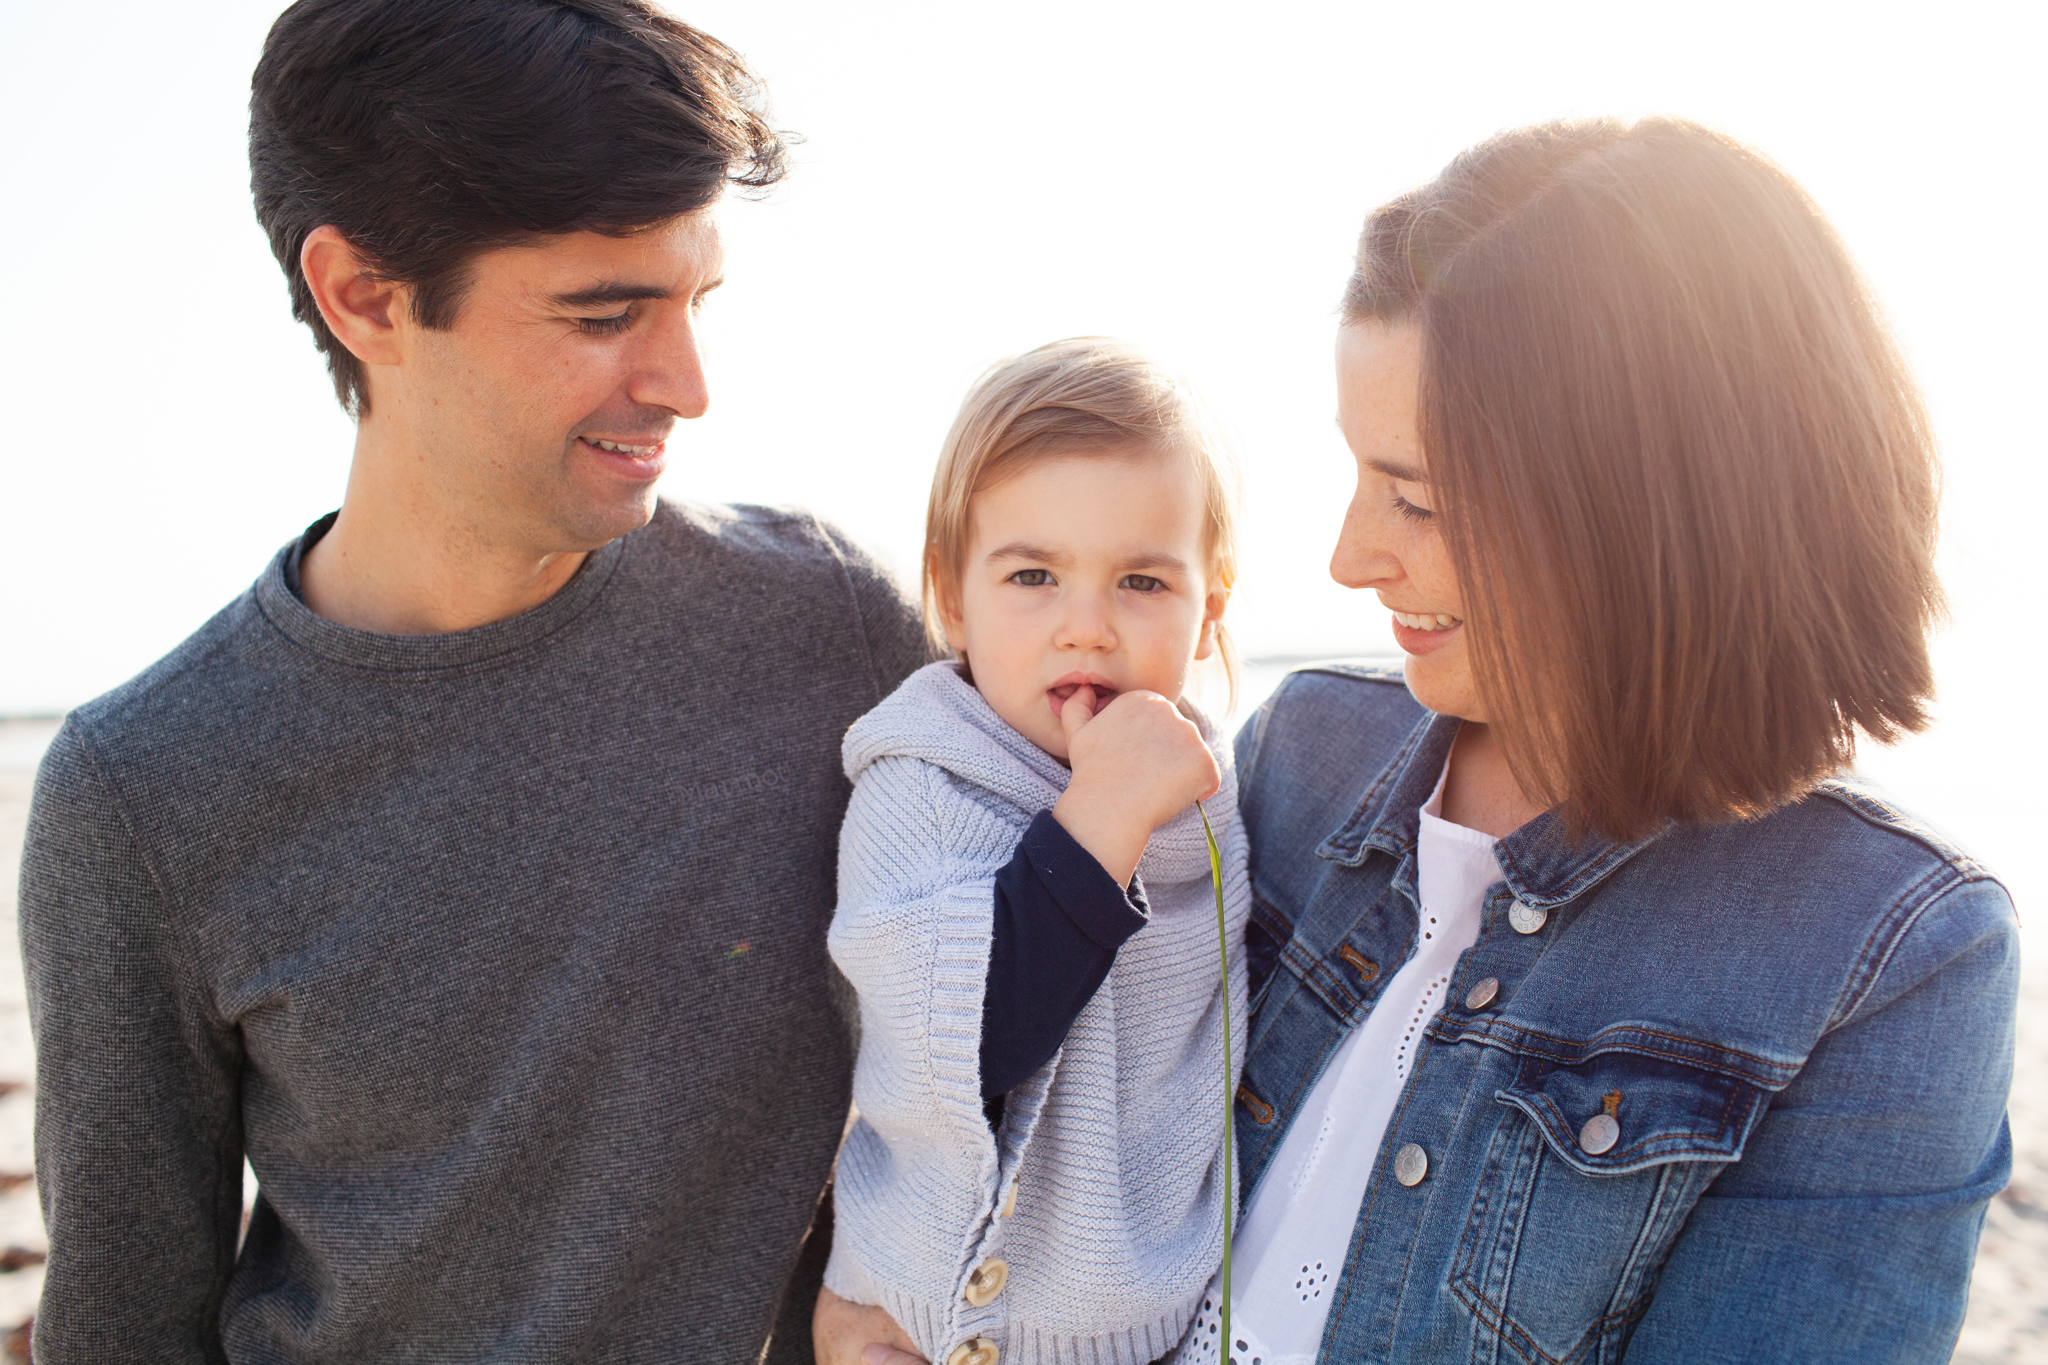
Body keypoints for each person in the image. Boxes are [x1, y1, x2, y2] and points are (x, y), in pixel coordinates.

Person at [17, 1, 924, 1360]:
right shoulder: (137, 795)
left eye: (696, 301)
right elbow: (125, 1329)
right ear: (365, 297)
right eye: (606, 312)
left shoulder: (832, 631)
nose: (686, 381)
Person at [1184, 117, 2019, 1364]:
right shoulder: (1296, 751)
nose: (1349, 557)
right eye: (1359, 478)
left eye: (1414, 497)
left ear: (1641, 514)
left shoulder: (1888, 955)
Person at [814, 339, 1249, 1365]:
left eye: (1141, 580)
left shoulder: (1216, 805)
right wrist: (1102, 811)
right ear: (952, 597)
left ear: (1210, 609)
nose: (1085, 627)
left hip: (1149, 1327)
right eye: (1033, 576)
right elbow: (971, 1045)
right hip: (937, 1325)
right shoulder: (919, 785)